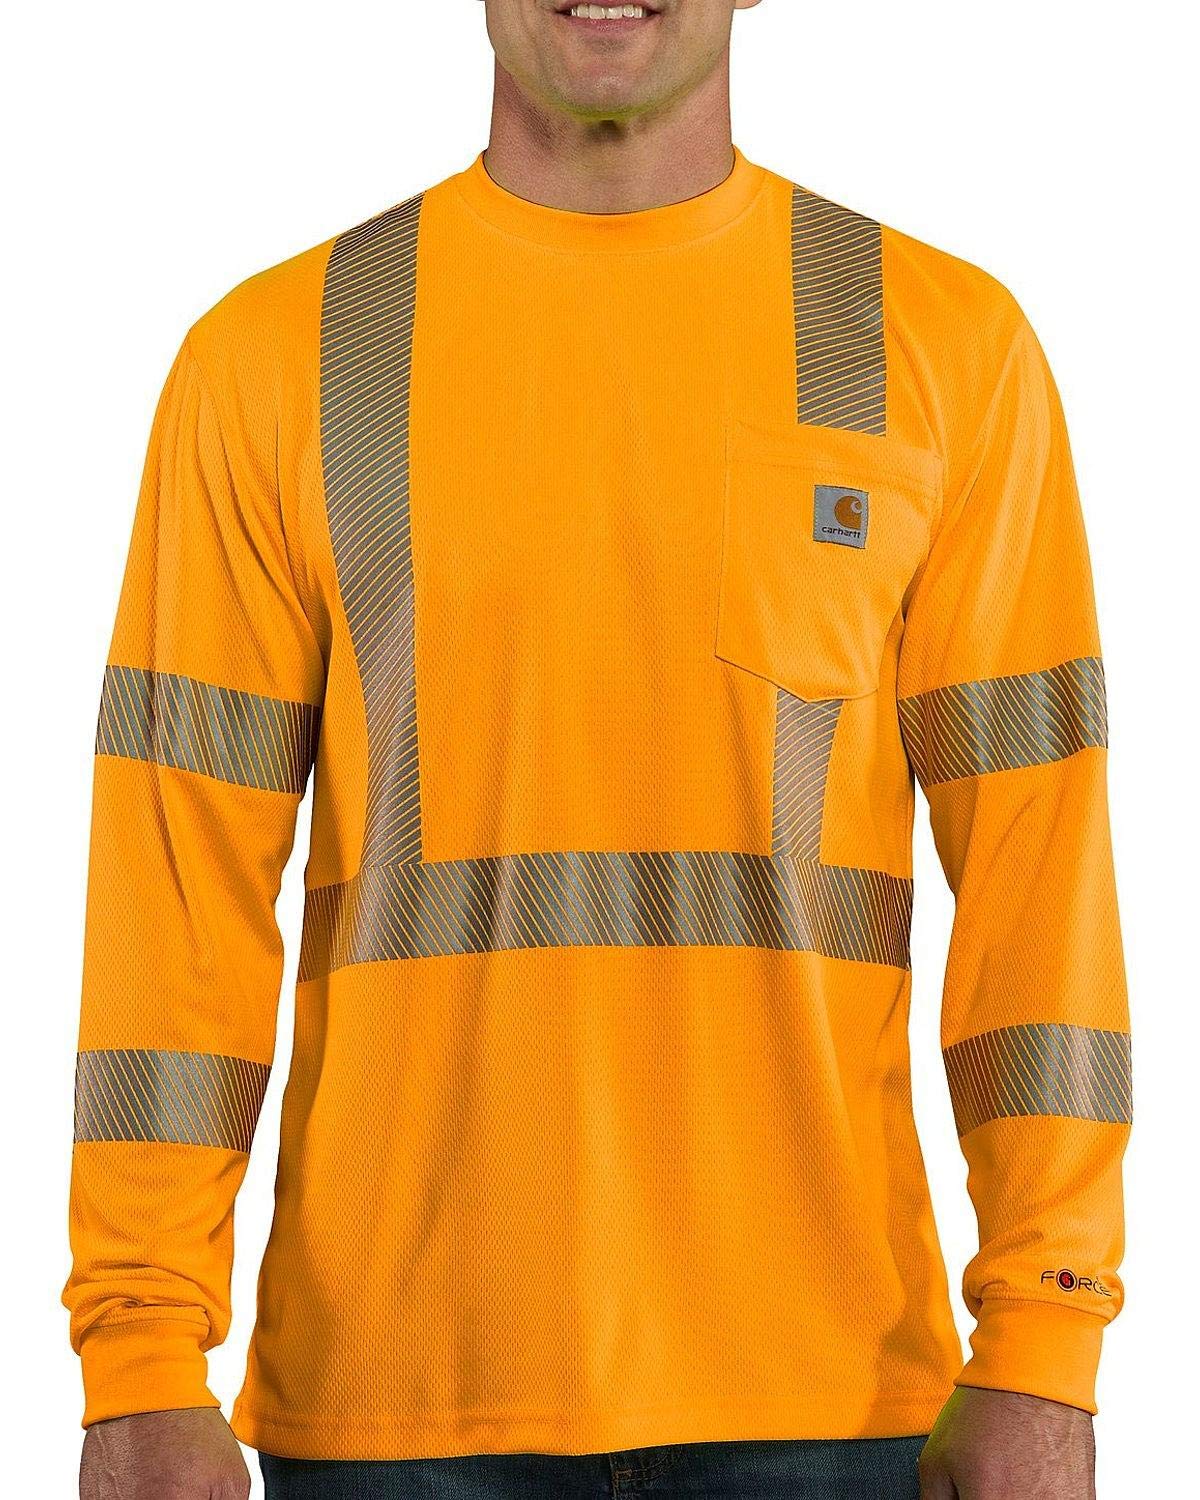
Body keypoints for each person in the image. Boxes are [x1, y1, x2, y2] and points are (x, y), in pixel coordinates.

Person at [66, 2, 1129, 1496]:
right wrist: (138, 1357)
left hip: (826, 1400)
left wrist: (1046, 1338)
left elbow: (1040, 881)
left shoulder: (943, 346)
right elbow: (175, 896)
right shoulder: (278, 357)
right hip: (394, 1399)